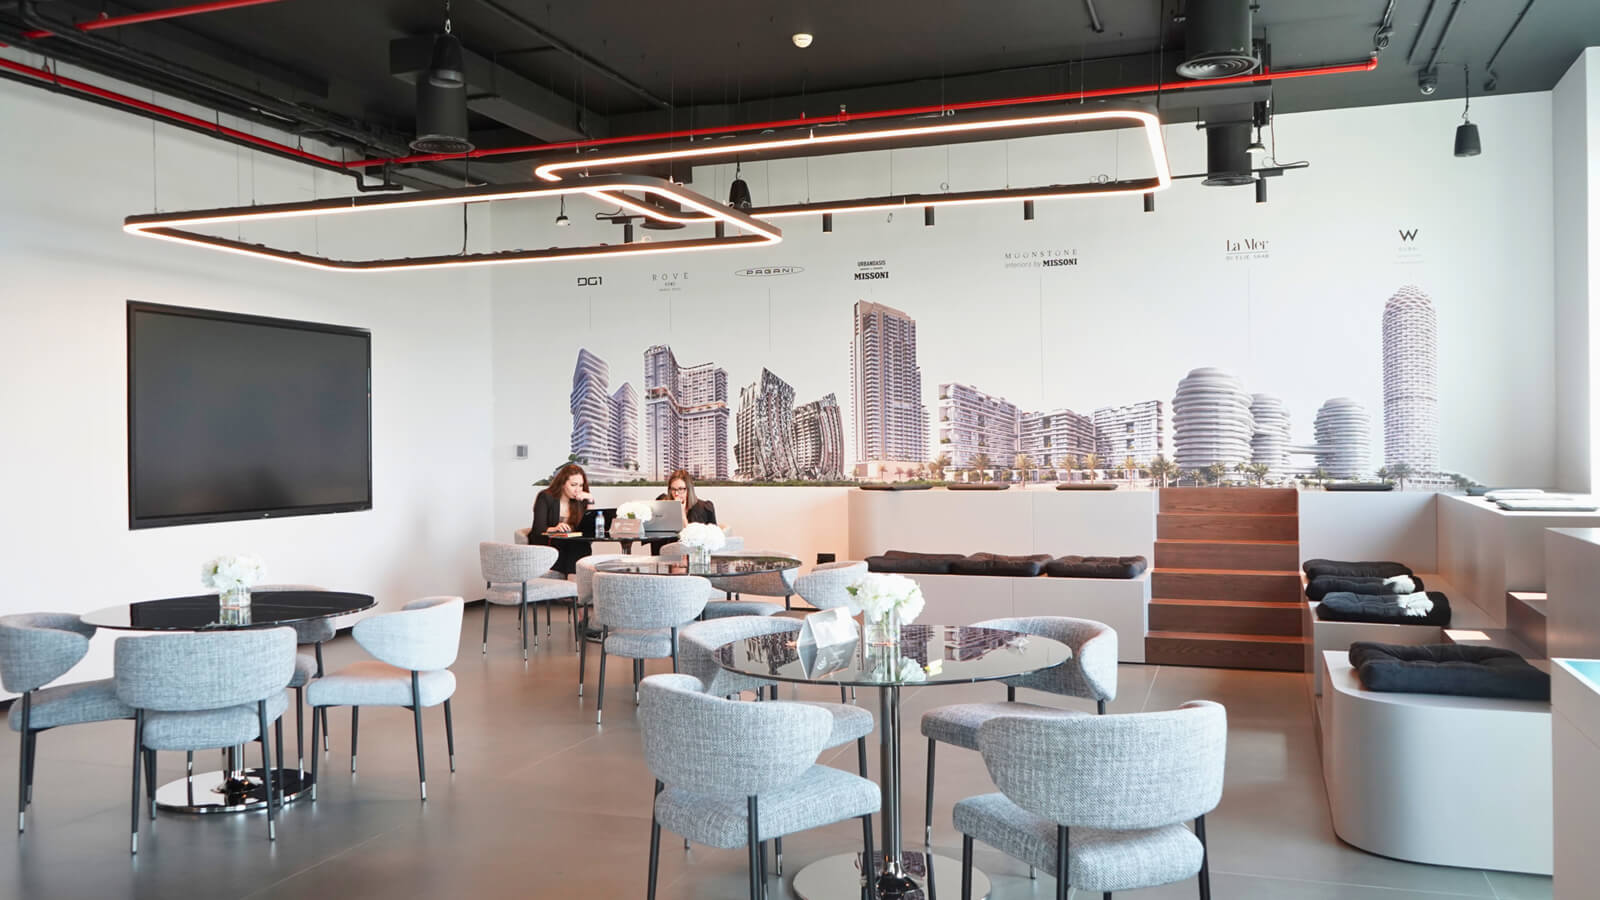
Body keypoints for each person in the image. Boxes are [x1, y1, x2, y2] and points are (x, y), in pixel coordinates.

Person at [532, 463, 593, 575]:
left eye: (581, 485)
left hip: (572, 546)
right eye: (573, 485)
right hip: (550, 545)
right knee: (576, 547)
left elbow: (588, 531)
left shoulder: (579, 501)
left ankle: (573, 581)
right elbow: (537, 529)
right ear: (563, 483)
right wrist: (555, 528)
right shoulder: (545, 497)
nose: (578, 490)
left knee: (581, 545)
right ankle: (573, 580)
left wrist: (590, 501)